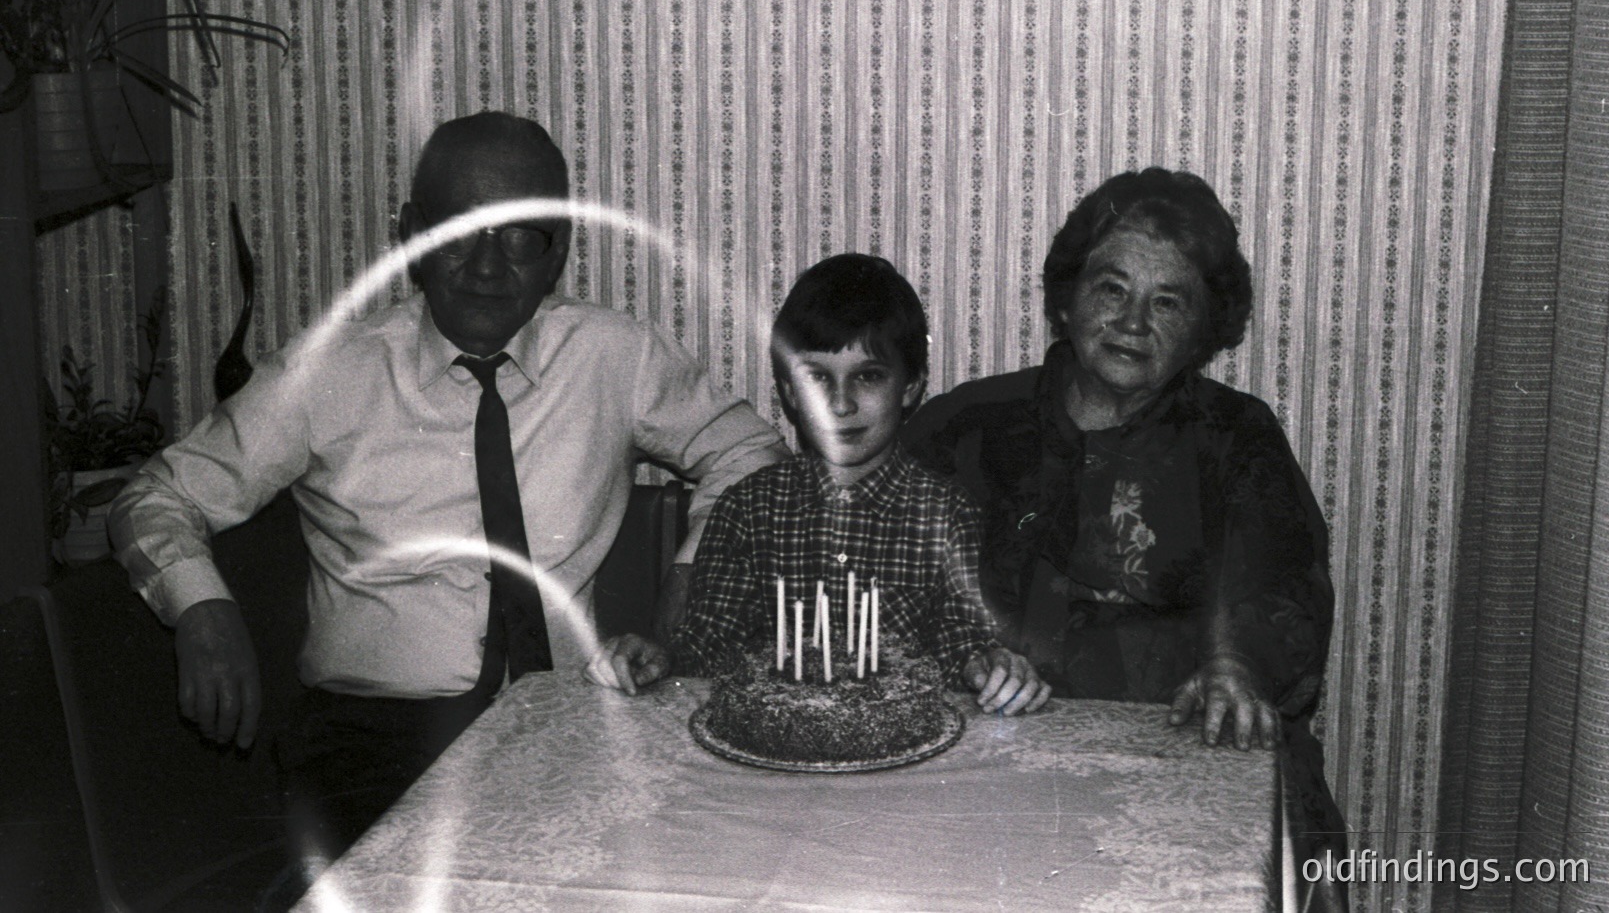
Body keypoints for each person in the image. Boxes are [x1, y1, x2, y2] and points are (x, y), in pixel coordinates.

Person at [108, 111, 789, 865]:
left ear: (557, 250)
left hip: (565, 722)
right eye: (459, 232)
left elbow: (750, 449)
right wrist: (201, 605)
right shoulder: (328, 373)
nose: (487, 267)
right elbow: (156, 495)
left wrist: (693, 577)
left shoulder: (614, 357)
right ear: (410, 236)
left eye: (519, 235)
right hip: (371, 742)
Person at [901, 169, 1348, 909]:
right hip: (990, 759)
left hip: (1181, 751)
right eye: (1112, 288)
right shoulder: (965, 425)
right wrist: (958, 658)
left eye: (1167, 301)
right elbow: (873, 574)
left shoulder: (1236, 437)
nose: (1132, 322)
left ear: (1205, 327)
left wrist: (1236, 667)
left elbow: (1281, 580)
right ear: (1069, 297)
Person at [587, 253, 1050, 716]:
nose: (840, 404)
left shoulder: (949, 513)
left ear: (910, 387)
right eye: (817, 378)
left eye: (868, 377)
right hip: (776, 750)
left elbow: (961, 639)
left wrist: (988, 666)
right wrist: (659, 658)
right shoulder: (749, 508)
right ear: (789, 391)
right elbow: (707, 649)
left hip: (901, 757)